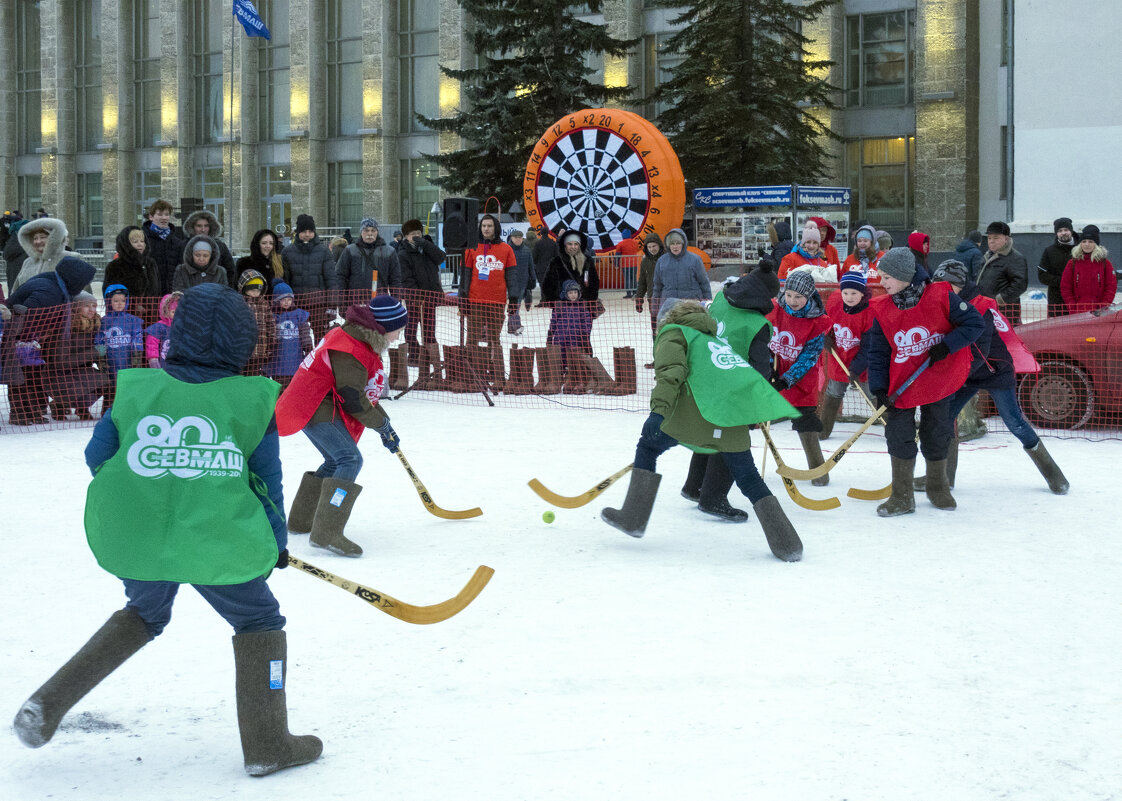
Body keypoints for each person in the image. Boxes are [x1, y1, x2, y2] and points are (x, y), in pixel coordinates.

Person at [13, 283, 321, 776]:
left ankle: (46, 705)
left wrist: (149, 491)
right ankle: (268, 743)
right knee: (259, 621)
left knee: (144, 613)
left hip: (141, 536)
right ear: (243, 343)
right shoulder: (252, 399)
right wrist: (276, 546)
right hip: (216, 540)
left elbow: (98, 457)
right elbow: (266, 483)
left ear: (178, 333)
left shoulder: (137, 387)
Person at [600, 298, 803, 562]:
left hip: (695, 417)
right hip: (731, 419)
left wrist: (658, 412)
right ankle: (787, 544)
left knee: (648, 446)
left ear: (668, 318)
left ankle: (633, 516)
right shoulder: (715, 341)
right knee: (749, 478)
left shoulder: (674, 333)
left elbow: (670, 373)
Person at [274, 295, 408, 557]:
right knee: (349, 459)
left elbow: (361, 393)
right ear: (383, 327)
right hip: (311, 403)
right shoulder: (352, 348)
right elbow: (352, 398)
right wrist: (379, 424)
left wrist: (385, 425)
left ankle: (302, 520)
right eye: (397, 331)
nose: (398, 337)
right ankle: (327, 532)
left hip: (317, 400)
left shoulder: (357, 339)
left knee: (336, 460)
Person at [922, 259, 1069, 495]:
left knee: (1015, 422)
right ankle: (944, 477)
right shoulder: (945, 305)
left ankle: (1054, 475)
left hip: (994, 370)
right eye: (938, 284)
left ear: (960, 284)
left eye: (948, 285)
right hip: (969, 373)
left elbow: (981, 351)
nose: (942, 289)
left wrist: (954, 376)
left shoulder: (980, 307)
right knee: (946, 416)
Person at [866, 247, 984, 516]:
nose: (882, 284)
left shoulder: (941, 296)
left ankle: (937, 486)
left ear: (905, 276)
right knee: (898, 434)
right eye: (881, 278)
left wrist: (948, 345)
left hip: (936, 377)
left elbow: (974, 324)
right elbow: (878, 352)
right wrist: (880, 388)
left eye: (887, 278)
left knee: (937, 431)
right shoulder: (884, 308)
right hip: (901, 383)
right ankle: (902, 496)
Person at [680, 269, 779, 522]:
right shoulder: (757, 323)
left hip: (705, 375)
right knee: (731, 439)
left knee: (711, 431)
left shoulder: (723, 298)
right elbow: (759, 368)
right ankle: (713, 498)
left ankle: (695, 486)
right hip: (732, 387)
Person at [2, 257, 97, 425]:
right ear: (74, 279)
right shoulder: (49, 291)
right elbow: (26, 314)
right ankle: (20, 413)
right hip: (21, 341)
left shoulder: (53, 283)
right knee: (21, 378)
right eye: (82, 282)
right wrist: (40, 333)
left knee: (33, 376)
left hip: (30, 341)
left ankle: (32, 412)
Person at [766, 269, 833, 486]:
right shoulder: (774, 310)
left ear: (809, 296)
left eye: (799, 297)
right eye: (789, 295)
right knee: (755, 415)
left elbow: (809, 357)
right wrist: (769, 369)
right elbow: (763, 341)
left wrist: (787, 379)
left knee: (805, 423)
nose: (793, 301)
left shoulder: (816, 321)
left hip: (800, 380)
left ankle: (818, 471)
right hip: (775, 370)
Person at [460, 213, 518, 392]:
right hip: (476, 300)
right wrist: (463, 298)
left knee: (495, 340)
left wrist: (514, 297)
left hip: (497, 301)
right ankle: (474, 377)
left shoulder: (506, 249)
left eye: (489, 226)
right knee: (473, 339)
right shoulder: (471, 248)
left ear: (495, 228)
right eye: (483, 226)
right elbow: (466, 275)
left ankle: (498, 377)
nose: (486, 229)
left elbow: (512, 276)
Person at [819, 270, 876, 439]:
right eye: (845, 292)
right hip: (840, 359)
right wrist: (826, 336)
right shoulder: (836, 302)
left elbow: (869, 346)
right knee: (834, 392)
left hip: (863, 365)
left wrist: (856, 369)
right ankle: (823, 431)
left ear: (862, 293)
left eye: (854, 293)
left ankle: (892, 428)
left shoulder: (870, 312)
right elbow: (825, 321)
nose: (849, 297)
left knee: (872, 394)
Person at [396, 218, 447, 381]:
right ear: (406, 237)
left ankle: (430, 356)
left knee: (430, 327)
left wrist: (425, 244)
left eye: (418, 233)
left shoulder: (427, 247)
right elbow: (406, 277)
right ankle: (414, 353)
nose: (416, 236)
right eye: (413, 234)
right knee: (411, 326)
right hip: (415, 297)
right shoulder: (403, 253)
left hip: (430, 295)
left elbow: (441, 258)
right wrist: (416, 294)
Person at [45, 291, 109, 420]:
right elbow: (61, 363)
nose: (91, 310)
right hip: (58, 375)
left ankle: (81, 407)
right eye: (87, 306)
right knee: (87, 384)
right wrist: (94, 352)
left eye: (94, 306)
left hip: (82, 373)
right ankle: (59, 404)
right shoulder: (65, 329)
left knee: (107, 382)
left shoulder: (94, 326)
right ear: (76, 307)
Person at [548, 279, 618, 394]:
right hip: (560, 337)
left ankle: (575, 376)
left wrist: (585, 334)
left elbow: (587, 321)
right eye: (570, 293)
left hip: (576, 336)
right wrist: (551, 333)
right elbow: (554, 320)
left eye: (575, 292)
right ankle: (562, 375)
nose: (573, 295)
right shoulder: (560, 306)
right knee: (561, 356)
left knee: (575, 357)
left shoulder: (581, 306)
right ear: (565, 294)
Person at [282, 214, 339, 342]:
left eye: (310, 231)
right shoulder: (288, 252)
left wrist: (332, 304)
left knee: (321, 340)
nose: (307, 235)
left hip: (318, 304)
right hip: (296, 304)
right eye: (303, 231)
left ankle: (319, 362)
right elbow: (285, 279)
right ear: (298, 232)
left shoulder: (324, 251)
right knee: (298, 339)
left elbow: (331, 279)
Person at [96, 284, 146, 410]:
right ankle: (108, 409)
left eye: (123, 301)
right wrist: (101, 358)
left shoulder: (133, 321)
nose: (120, 304)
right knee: (111, 387)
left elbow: (137, 337)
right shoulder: (104, 321)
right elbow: (99, 340)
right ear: (109, 302)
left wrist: (136, 355)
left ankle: (129, 409)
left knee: (129, 384)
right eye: (116, 301)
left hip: (128, 360)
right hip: (111, 361)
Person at [104, 226, 161, 321]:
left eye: (142, 241)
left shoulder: (151, 263)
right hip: (125, 318)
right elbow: (111, 293)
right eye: (135, 242)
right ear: (126, 244)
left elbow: (157, 289)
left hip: (150, 317)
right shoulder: (115, 266)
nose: (140, 245)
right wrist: (134, 306)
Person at [976, 221, 1029, 325]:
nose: (991, 241)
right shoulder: (987, 256)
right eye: (989, 238)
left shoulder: (1015, 258)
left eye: (996, 238)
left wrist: (1001, 299)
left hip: (1004, 311)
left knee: (1003, 339)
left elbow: (1020, 285)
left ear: (1006, 239)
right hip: (984, 307)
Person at [335, 217, 399, 301]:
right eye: (366, 230)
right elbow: (340, 276)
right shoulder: (350, 251)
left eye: (373, 230)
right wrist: (342, 300)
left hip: (380, 302)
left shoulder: (389, 252)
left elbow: (395, 280)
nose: (370, 234)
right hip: (355, 302)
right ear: (361, 232)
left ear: (377, 232)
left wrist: (396, 301)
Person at [264, 282, 313, 389]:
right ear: (277, 301)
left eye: (289, 299)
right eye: (283, 299)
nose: (287, 302)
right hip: (279, 357)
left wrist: (308, 345)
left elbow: (305, 332)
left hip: (295, 357)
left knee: (294, 386)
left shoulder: (298, 315)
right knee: (280, 386)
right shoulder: (272, 316)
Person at [1060, 225, 1116, 314]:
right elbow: (1065, 287)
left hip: (1099, 313)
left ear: (1096, 244)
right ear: (1080, 244)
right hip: (1077, 312)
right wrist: (1073, 307)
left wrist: (1103, 307)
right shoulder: (1072, 263)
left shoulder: (1105, 263)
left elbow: (1111, 287)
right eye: (1084, 241)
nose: (1087, 244)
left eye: (1090, 241)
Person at [142, 200, 189, 296]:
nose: (164, 218)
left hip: (171, 294)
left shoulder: (177, 241)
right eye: (159, 214)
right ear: (151, 216)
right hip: (149, 295)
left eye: (166, 214)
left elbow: (181, 270)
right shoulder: (142, 239)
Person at [10, 216, 69, 293]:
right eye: (35, 238)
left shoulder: (69, 258)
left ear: (54, 237)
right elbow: (16, 292)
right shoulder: (28, 262)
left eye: (42, 237)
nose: (38, 241)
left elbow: (83, 295)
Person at [653, 228, 711, 303]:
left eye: (678, 243)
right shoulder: (661, 261)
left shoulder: (695, 260)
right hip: (668, 305)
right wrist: (654, 308)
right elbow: (657, 286)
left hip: (691, 305)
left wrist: (708, 303)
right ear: (668, 245)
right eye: (672, 244)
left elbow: (704, 283)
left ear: (683, 244)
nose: (675, 246)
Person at [183, 210, 237, 287]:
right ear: (192, 227)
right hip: (190, 293)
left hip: (216, 293)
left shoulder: (220, 246)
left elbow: (231, 272)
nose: (203, 229)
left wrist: (226, 291)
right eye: (199, 226)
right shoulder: (184, 246)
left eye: (206, 226)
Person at [238, 270, 277, 376]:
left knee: (254, 375)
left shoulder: (264, 304)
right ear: (244, 289)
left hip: (259, 350)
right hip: (240, 351)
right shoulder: (238, 303)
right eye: (252, 290)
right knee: (239, 376)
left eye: (257, 290)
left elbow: (270, 324)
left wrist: (271, 343)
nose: (255, 293)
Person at [635, 232, 665, 364]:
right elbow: (642, 281)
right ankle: (657, 359)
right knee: (655, 331)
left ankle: (668, 359)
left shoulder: (666, 258)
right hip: (653, 300)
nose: (652, 249)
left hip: (666, 299)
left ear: (659, 245)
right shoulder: (645, 261)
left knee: (667, 329)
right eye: (649, 247)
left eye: (654, 246)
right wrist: (639, 298)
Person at [1037, 218, 1077, 317]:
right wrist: (1062, 281)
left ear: (1071, 231)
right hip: (1056, 299)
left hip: (1077, 297)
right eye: (1060, 231)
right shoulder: (1049, 251)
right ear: (1056, 233)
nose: (1063, 233)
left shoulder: (1082, 247)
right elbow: (1042, 275)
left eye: (1066, 230)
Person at [505, 227, 536, 335]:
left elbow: (531, 266)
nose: (518, 239)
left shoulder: (527, 250)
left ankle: (512, 326)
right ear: (511, 238)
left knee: (516, 304)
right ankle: (515, 325)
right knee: (514, 304)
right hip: (508, 281)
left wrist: (532, 279)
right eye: (515, 237)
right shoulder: (507, 249)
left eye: (520, 237)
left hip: (522, 281)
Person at [145, 292, 181, 369]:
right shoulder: (159, 327)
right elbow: (152, 344)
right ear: (165, 311)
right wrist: (153, 359)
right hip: (163, 364)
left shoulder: (183, 326)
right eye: (173, 312)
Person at [530, 226, 559, 303]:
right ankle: (550, 300)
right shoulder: (553, 243)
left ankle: (544, 301)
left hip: (541, 267)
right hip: (551, 267)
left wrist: (536, 264)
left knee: (542, 284)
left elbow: (534, 256)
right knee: (550, 284)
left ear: (541, 233)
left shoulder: (538, 243)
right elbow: (556, 255)